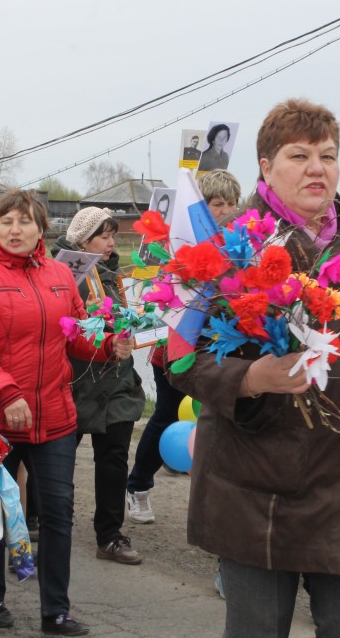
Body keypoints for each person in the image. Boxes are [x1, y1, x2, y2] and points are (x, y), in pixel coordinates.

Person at [169, 98, 340, 638]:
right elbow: (181, 359)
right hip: (257, 489)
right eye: (299, 156)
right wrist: (250, 378)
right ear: (266, 167)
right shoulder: (230, 245)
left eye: (328, 155)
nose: (317, 168)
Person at [0, 190, 133, 635]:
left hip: (55, 416)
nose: (15, 230)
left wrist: (107, 346)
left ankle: (56, 610)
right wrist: (7, 392)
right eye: (7, 222)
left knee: (58, 512)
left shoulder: (59, 274)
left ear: (41, 229)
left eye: (25, 222)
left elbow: (74, 334)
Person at [126, 169, 241, 525]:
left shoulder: (243, 246)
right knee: (167, 416)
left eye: (231, 203)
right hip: (177, 352)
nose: (225, 211)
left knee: (222, 426)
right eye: (217, 204)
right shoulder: (181, 245)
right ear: (201, 208)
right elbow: (162, 300)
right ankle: (138, 486)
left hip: (222, 351)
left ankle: (216, 505)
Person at [52, 206, 146, 565]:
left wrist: (141, 324)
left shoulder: (116, 276)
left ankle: (109, 535)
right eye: (103, 237)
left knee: (114, 458)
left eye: (113, 236)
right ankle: (44, 520)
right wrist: (86, 317)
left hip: (117, 380)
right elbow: (57, 328)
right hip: (76, 381)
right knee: (58, 460)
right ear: (81, 241)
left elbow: (126, 323)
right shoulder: (61, 274)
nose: (111, 243)